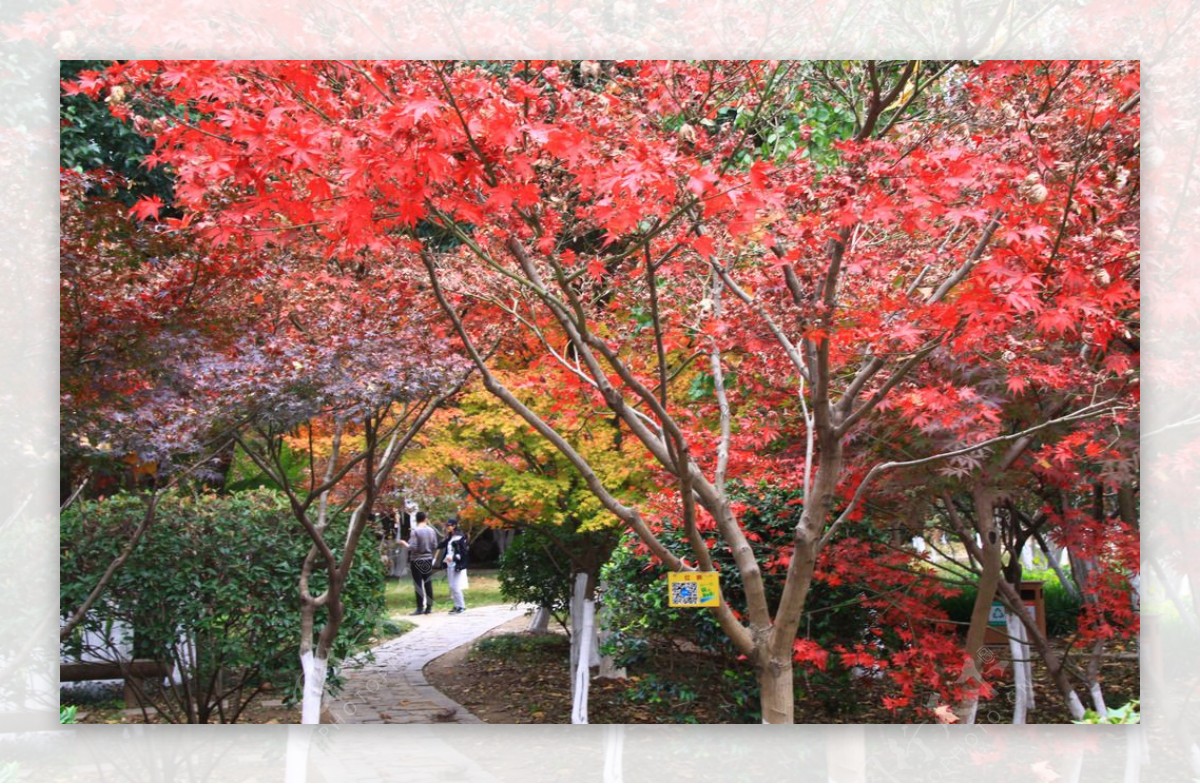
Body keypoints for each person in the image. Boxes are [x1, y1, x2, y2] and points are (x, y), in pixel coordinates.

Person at [398, 511, 438, 614]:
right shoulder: (431, 530)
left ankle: (420, 607)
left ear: (416, 519)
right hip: (428, 559)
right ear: (425, 518)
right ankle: (429, 607)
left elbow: (413, 547)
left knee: (418, 583)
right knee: (428, 582)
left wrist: (404, 543)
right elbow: (434, 545)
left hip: (416, 560)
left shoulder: (415, 531)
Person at [437, 518, 470, 614]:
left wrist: (454, 558)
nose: (447, 527)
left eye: (449, 525)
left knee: (455, 586)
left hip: (456, 565)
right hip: (449, 565)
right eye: (446, 525)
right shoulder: (450, 537)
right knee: (452, 586)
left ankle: (461, 606)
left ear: (454, 526)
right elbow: (443, 545)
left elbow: (463, 553)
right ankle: (457, 605)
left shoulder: (460, 537)